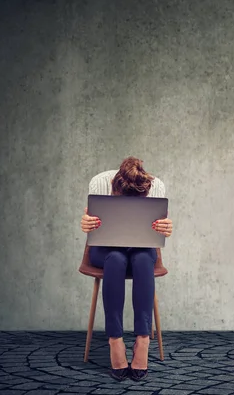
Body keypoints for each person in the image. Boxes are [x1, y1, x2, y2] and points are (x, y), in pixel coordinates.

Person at [80, 157, 173, 381]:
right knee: (116, 259)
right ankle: (115, 340)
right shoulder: (100, 183)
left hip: (142, 247)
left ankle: (142, 341)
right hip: (106, 249)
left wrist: (167, 228)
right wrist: (85, 222)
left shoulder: (155, 186)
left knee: (142, 260)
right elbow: (89, 220)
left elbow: (161, 228)